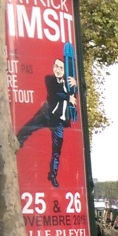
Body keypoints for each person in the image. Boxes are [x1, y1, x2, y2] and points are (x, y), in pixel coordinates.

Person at [16, 57, 78, 188]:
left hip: (59, 122)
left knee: (56, 151)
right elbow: (55, 94)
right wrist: (69, 94)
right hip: (47, 114)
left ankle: (53, 175)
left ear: (65, 70)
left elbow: (73, 100)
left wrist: (74, 86)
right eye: (56, 66)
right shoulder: (49, 79)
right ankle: (17, 143)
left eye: (61, 68)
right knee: (28, 127)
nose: (58, 70)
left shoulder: (70, 84)